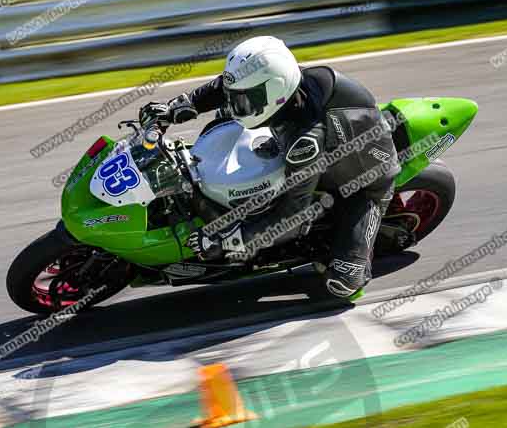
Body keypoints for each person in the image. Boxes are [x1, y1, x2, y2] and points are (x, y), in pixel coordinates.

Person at [138, 36, 399, 298]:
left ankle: (355, 260)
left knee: (343, 282)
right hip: (316, 140)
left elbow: (293, 215)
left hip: (363, 180)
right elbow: (225, 85)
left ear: (273, 90)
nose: (234, 105)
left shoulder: (306, 140)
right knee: (222, 129)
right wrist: (176, 108)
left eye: (243, 101)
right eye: (236, 99)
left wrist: (227, 240)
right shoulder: (280, 87)